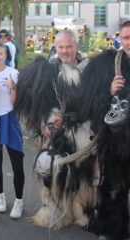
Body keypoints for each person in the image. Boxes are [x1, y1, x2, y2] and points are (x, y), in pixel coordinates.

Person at [14, 30, 98, 229]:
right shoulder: (47, 72)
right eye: (61, 47)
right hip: (55, 133)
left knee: (84, 174)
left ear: (76, 47)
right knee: (53, 174)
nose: (65, 51)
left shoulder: (90, 70)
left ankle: (81, 211)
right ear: (56, 47)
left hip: (85, 130)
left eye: (69, 46)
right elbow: (35, 103)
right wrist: (48, 122)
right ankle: (55, 212)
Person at [78, 20, 130, 240]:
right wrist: (108, 90)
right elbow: (89, 101)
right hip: (116, 140)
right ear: (120, 38)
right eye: (127, 37)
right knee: (113, 185)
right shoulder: (107, 64)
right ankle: (112, 230)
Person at [0, 42, 25, 219]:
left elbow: (15, 105)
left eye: (0, 54)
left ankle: (19, 200)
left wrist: (14, 88)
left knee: (17, 162)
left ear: (6, 55)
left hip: (10, 120)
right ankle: (0, 196)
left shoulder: (14, 73)